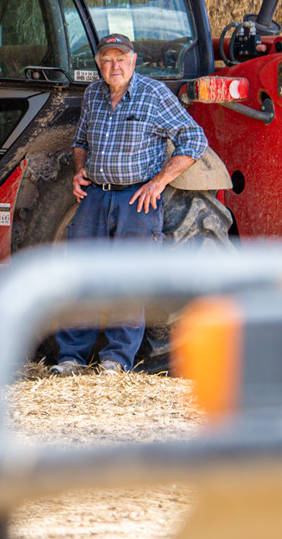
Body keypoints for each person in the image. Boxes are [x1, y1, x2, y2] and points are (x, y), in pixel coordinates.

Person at [49, 33, 210, 376]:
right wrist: (79, 170)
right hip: (94, 196)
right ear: (98, 64)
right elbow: (80, 140)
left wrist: (159, 182)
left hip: (136, 199)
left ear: (134, 60)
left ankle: (115, 360)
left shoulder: (153, 94)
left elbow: (195, 137)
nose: (114, 65)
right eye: (107, 60)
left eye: (121, 58)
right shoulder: (93, 94)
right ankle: (71, 359)